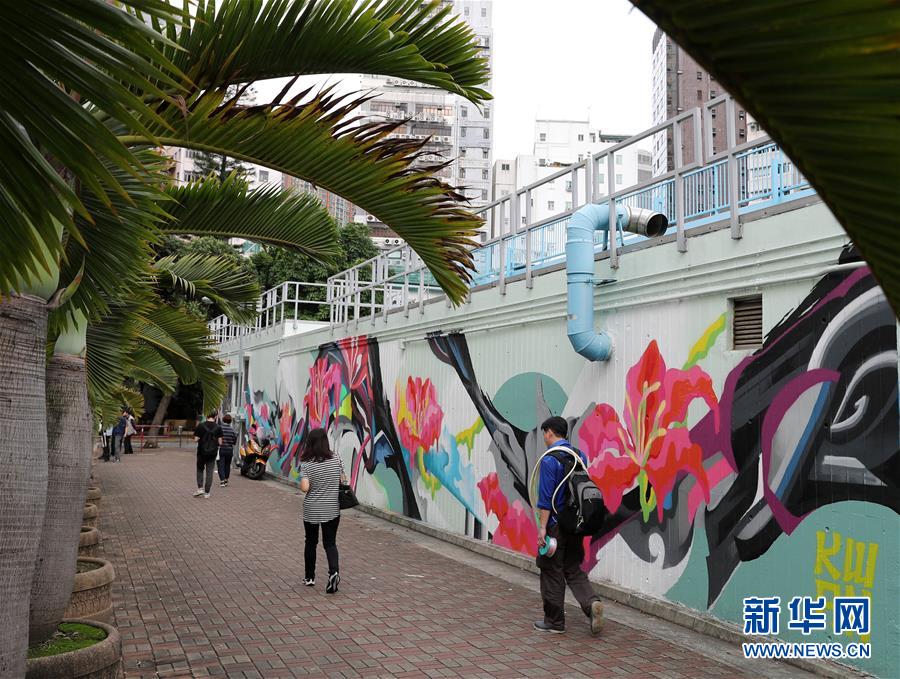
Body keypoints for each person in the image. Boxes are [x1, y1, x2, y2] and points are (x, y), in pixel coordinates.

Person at [533, 416, 604, 636]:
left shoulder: (549, 460)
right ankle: (591, 603)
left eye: (545, 432)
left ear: (550, 432)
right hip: (576, 522)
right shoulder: (578, 455)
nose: (544, 437)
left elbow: (546, 499)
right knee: (572, 567)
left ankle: (554, 622)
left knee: (551, 569)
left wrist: (543, 528)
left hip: (555, 524)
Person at [298, 428, 345, 593]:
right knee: (330, 543)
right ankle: (334, 572)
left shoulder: (306, 463)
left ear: (310, 443)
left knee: (311, 542)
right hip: (332, 508)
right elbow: (343, 480)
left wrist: (307, 480)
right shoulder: (336, 458)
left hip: (312, 508)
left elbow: (305, 488)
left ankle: (309, 577)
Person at [193, 412, 223, 498]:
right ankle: (207, 492)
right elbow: (220, 442)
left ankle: (200, 488)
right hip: (212, 453)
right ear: (215, 416)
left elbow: (195, 439)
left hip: (201, 452)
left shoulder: (201, 426)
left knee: (200, 470)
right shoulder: (218, 427)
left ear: (207, 416)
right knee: (210, 471)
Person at [217, 414, 238, 487]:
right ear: (230, 421)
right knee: (227, 465)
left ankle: (222, 480)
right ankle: (226, 479)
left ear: (223, 420)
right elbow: (234, 442)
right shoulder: (232, 430)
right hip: (229, 450)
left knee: (221, 465)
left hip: (221, 449)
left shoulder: (220, 428)